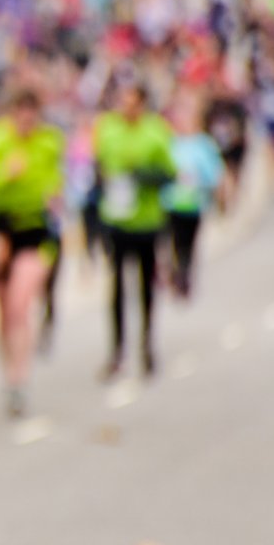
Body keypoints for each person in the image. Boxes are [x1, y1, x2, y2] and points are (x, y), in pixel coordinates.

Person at [0, 87, 63, 418]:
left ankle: (19, 377)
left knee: (20, 304)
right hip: (0, 231)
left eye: (32, 113)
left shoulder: (50, 141)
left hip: (36, 230)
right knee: (3, 312)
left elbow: (58, 181)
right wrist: (4, 175)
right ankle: (9, 372)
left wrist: (56, 196)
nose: (27, 120)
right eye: (21, 112)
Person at [91, 80, 176, 380]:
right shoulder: (107, 129)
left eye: (132, 101)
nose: (126, 107)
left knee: (145, 287)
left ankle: (147, 344)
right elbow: (98, 167)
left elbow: (169, 174)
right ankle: (117, 350)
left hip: (147, 220)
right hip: (116, 218)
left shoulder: (156, 131)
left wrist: (142, 175)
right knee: (116, 288)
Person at [162, 99, 225, 299]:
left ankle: (185, 274)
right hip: (171, 203)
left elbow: (214, 172)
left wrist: (218, 193)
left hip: (194, 203)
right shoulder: (170, 143)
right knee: (173, 241)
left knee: (189, 243)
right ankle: (175, 271)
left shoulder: (203, 144)